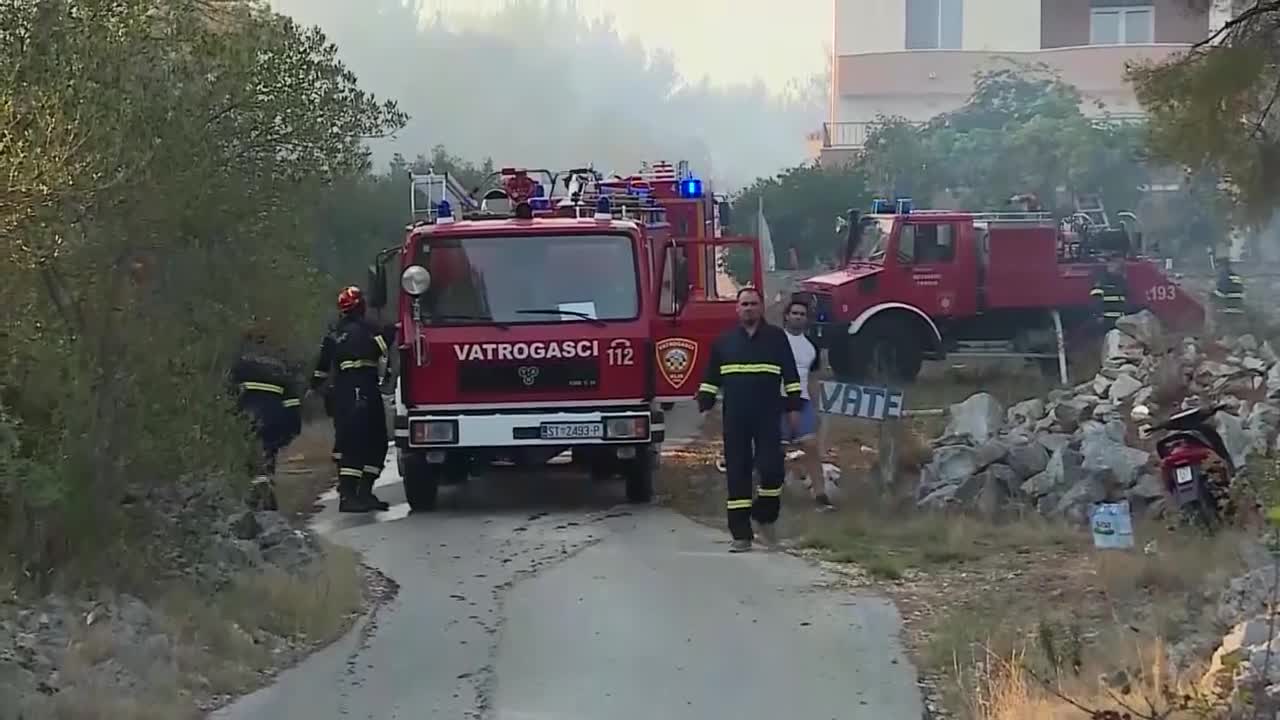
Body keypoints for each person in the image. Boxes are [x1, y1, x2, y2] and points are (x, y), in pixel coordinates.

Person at [697, 287, 804, 553]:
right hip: (736, 417)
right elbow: (711, 379)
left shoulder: (776, 339)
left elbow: (791, 377)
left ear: (761, 307)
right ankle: (741, 534)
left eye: (753, 304)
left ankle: (765, 517)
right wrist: (705, 404)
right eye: (744, 304)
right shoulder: (724, 342)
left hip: (768, 415)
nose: (748, 308)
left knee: (771, 470)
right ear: (737, 308)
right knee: (738, 473)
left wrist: (793, 410)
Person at [311, 286, 395, 513]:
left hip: (344, 391)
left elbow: (319, 371)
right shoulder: (366, 329)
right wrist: (391, 328)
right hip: (363, 388)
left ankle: (358, 494)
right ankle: (353, 495)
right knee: (371, 441)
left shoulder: (334, 334)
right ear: (360, 306)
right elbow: (381, 346)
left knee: (352, 441)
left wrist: (319, 391)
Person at [230, 322, 303, 511]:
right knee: (269, 455)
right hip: (275, 419)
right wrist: (293, 428)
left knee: (252, 459)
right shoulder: (279, 368)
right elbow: (292, 402)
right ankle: (265, 492)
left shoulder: (239, 367)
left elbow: (228, 396)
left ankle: (259, 497)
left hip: (248, 418)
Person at [780, 298, 834, 511]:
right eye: (794, 313)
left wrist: (816, 407)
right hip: (778, 400)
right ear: (786, 316)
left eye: (802, 314)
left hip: (803, 401)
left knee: (811, 446)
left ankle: (820, 495)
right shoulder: (776, 340)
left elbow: (813, 379)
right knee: (777, 450)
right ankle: (776, 492)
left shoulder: (812, 347)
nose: (798, 317)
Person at [1089, 261, 1127, 330]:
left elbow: (1124, 300)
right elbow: (1096, 300)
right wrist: (1099, 315)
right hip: (1106, 320)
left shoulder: (1121, 281)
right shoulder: (1101, 281)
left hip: (1120, 319)